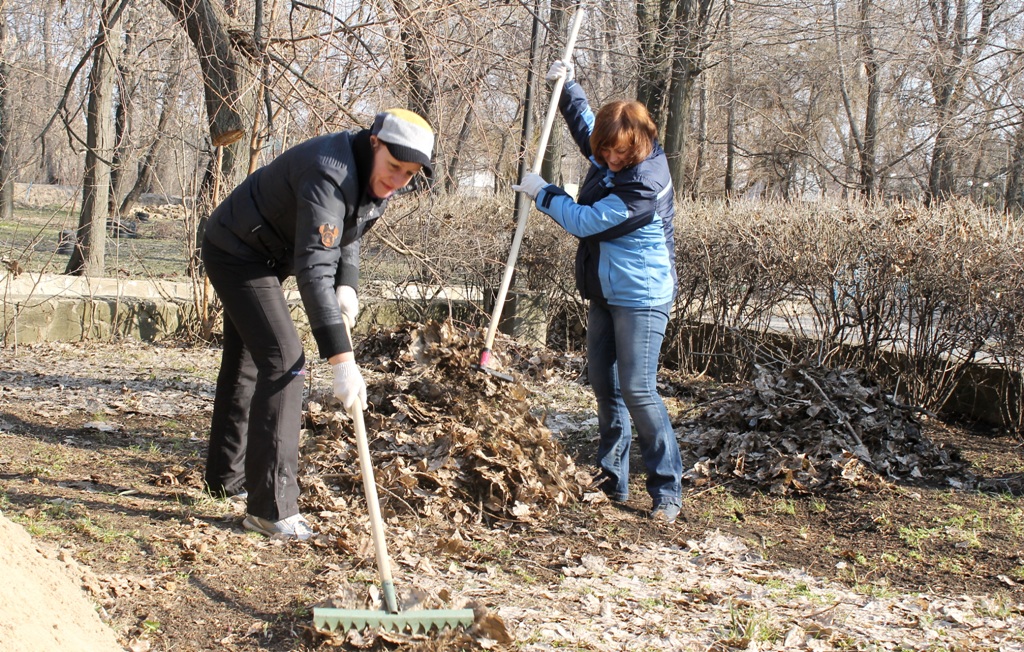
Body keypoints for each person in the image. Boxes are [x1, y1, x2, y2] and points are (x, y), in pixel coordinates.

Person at [200, 108, 435, 540]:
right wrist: (342, 361)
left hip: (264, 253)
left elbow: (349, 228)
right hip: (236, 251)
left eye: (409, 174)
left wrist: (348, 285)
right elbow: (313, 271)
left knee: (249, 360)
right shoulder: (329, 170)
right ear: (374, 143)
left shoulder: (372, 173)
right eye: (394, 167)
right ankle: (271, 509)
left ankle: (225, 479)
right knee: (285, 362)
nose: (398, 180)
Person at [513, 61, 683, 523]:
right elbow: (588, 128)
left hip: (641, 295)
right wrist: (567, 87)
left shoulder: (643, 185)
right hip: (605, 290)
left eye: (618, 153)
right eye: (604, 151)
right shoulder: (614, 153)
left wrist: (544, 193)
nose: (609, 159)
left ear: (639, 145)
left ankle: (667, 490)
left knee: (638, 389)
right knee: (605, 387)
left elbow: (584, 221)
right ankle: (611, 479)